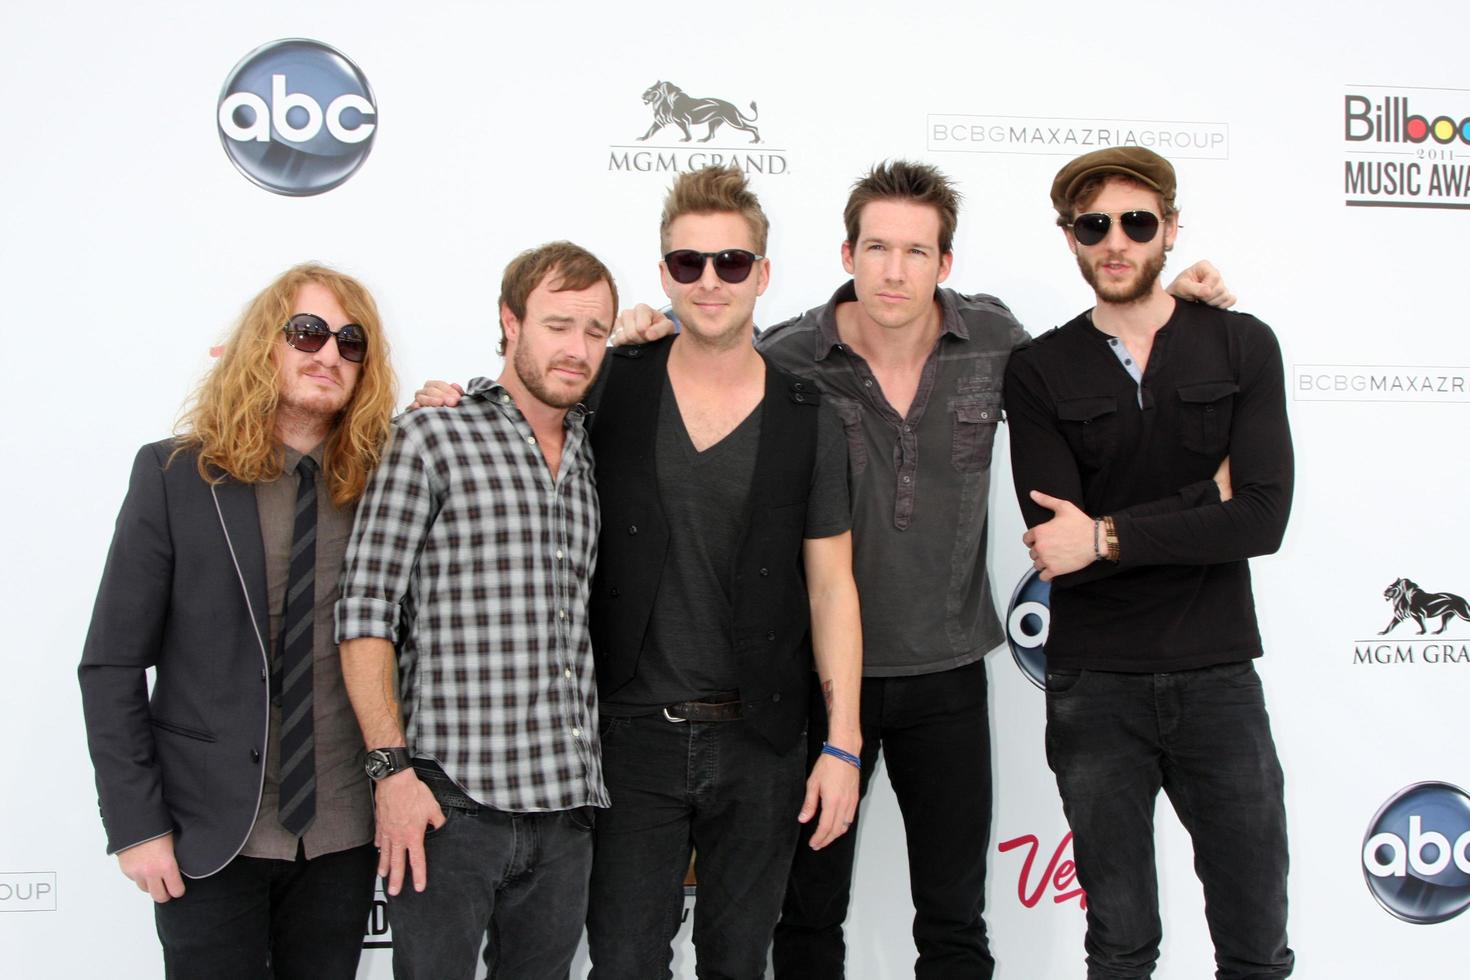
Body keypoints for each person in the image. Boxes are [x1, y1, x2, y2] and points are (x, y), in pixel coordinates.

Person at [607, 159, 1235, 980]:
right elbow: (711, 338)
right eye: (876, 248)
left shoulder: (998, 343)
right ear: (846, 254)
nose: (893, 270)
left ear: (945, 263)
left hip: (947, 677)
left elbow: (1097, 371)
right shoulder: (793, 354)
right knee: (807, 914)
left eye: (915, 251)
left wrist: (1175, 306)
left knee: (953, 920)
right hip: (819, 684)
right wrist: (644, 325)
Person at [1003, 146, 1294, 979]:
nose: (1117, 241)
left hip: (1219, 679)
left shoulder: (1242, 346)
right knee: (1121, 947)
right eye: (1095, 225)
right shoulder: (1039, 369)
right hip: (1096, 688)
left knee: (1256, 943)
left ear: (1169, 230)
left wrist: (1109, 535)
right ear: (1071, 239)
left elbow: (1264, 520)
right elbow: (1056, 540)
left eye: (1137, 221)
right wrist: (1207, 503)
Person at [78, 263, 398, 978]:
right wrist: (136, 825)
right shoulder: (175, 477)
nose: (329, 355)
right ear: (264, 344)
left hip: (342, 833)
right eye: (308, 332)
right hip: (209, 829)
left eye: (351, 343)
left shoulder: (384, 482)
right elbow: (111, 665)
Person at [584, 165, 862, 980]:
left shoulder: (811, 415)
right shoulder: (610, 384)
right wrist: (448, 399)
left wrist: (841, 745)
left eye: (731, 263)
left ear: (763, 274)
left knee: (739, 964)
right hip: (630, 734)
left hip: (763, 741)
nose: (709, 282)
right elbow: (523, 402)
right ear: (664, 271)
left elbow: (832, 586)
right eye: (687, 264)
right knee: (625, 964)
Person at [336, 241, 617, 980]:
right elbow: (364, 612)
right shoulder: (433, 435)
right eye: (558, 325)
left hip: (565, 807)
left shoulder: (595, 451)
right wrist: (391, 774)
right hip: (448, 804)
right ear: (510, 321)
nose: (577, 348)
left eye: (596, 331)